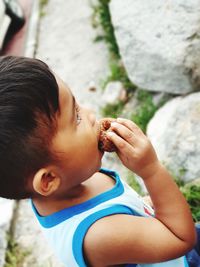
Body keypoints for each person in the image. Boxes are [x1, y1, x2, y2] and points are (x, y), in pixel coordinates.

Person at [0, 55, 198, 267]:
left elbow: (123, 207)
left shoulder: (66, 183)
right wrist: (151, 170)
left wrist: (146, 204)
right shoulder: (101, 234)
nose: (91, 114)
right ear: (48, 179)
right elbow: (181, 239)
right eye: (76, 118)